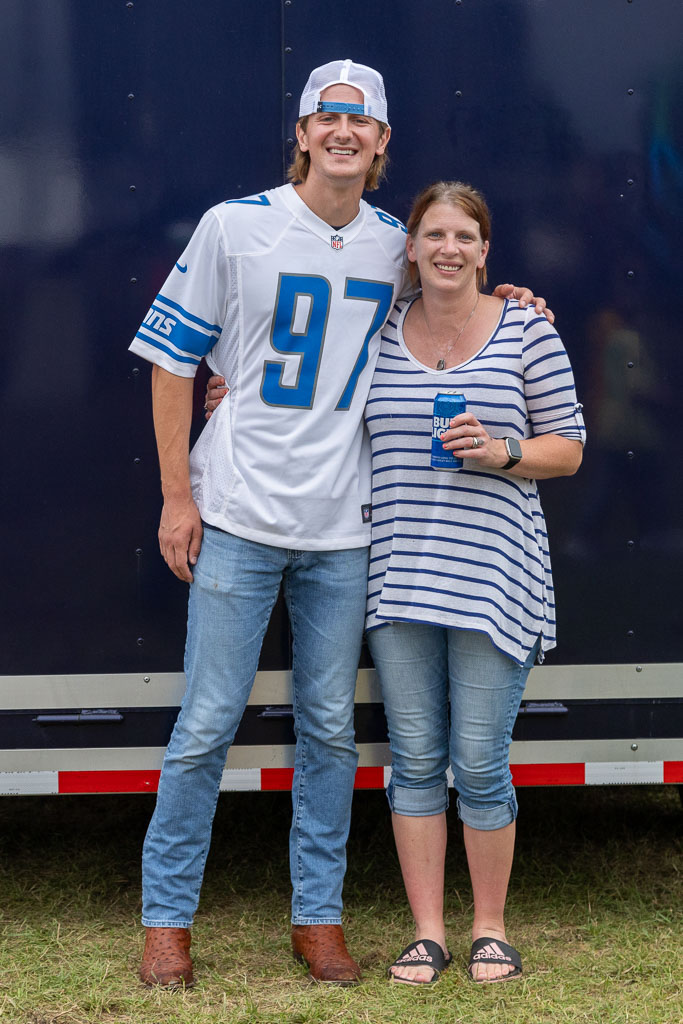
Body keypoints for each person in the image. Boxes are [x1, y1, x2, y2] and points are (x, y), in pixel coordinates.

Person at [132, 58, 547, 990]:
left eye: (361, 122)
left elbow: (453, 296)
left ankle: (316, 917)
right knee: (206, 722)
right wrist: (176, 495)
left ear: (382, 140)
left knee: (327, 730)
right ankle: (167, 920)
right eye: (328, 117)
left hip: (345, 528)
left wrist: (515, 299)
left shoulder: (395, 245)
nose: (343, 132)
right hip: (238, 511)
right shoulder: (235, 226)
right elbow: (172, 360)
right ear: (304, 131)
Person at [364, 182, 585, 985]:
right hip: (397, 580)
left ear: (485, 250)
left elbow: (569, 447)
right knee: (415, 762)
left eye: (464, 236)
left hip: (494, 579)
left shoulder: (526, 327)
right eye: (433, 234)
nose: (448, 249)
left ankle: (489, 928)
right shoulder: (376, 330)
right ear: (411, 247)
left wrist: (502, 452)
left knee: (481, 762)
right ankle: (427, 934)